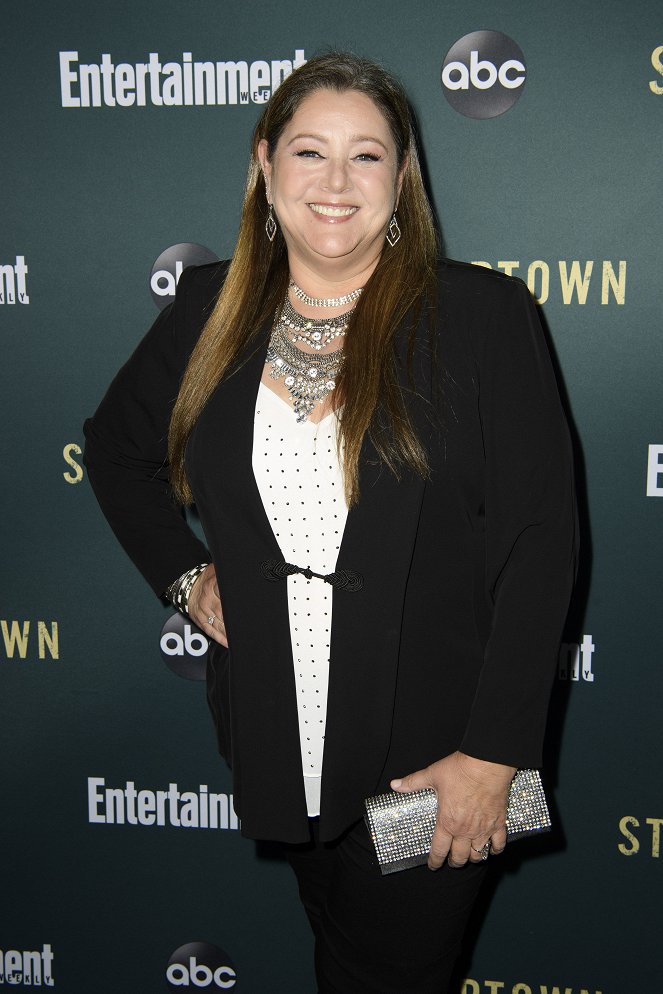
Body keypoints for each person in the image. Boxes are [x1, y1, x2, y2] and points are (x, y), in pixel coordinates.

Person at [84, 52, 577, 994]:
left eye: (368, 156)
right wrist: (186, 578)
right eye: (310, 152)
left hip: (437, 758)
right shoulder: (208, 310)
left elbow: (539, 544)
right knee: (340, 951)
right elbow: (115, 453)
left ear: (402, 180)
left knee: (387, 974)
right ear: (265, 166)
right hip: (280, 735)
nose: (337, 182)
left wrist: (493, 754)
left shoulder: (480, 316)